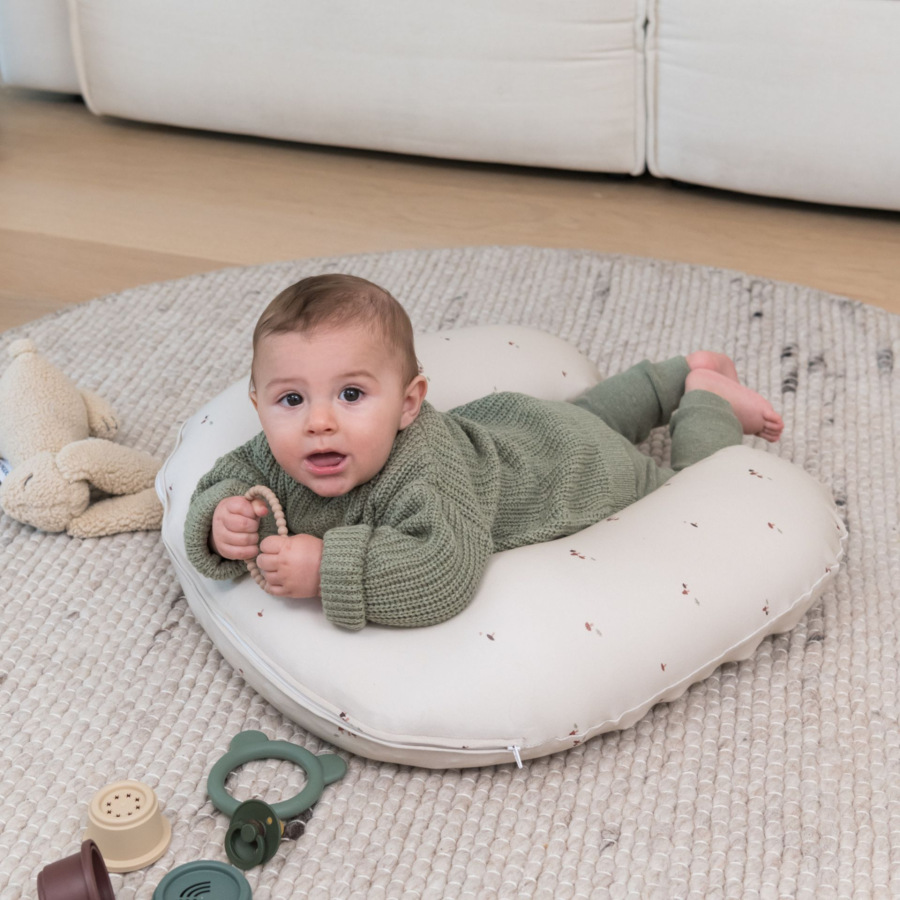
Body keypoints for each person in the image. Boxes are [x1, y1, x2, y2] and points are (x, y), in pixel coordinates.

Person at [184, 274, 784, 631]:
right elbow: (228, 476)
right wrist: (219, 519)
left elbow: (443, 571)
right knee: (587, 415)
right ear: (260, 405)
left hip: (572, 474)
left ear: (409, 403)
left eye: (351, 395)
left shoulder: (424, 475)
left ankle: (707, 397)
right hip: (522, 427)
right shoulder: (277, 453)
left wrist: (326, 570)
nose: (319, 422)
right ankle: (676, 372)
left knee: (688, 483)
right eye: (291, 399)